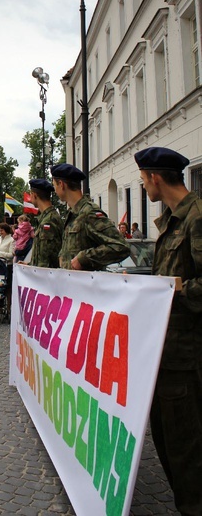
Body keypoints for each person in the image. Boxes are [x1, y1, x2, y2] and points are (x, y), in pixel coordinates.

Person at [134, 146, 202, 516]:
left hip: (187, 360)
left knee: (187, 451)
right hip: (166, 354)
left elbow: (187, 285)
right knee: (169, 444)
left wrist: (172, 289)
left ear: (155, 178)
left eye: (144, 179)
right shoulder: (174, 220)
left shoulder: (196, 219)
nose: (144, 185)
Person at [51, 164, 130, 270]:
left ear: (61, 185)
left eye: (54, 186)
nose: (55, 191)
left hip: (87, 284)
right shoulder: (73, 213)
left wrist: (85, 258)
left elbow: (120, 246)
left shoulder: (89, 212)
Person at [27, 178, 63, 268]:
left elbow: (45, 259)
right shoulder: (47, 217)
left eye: (30, 194)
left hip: (46, 278)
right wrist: (30, 265)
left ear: (34, 195)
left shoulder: (48, 221)